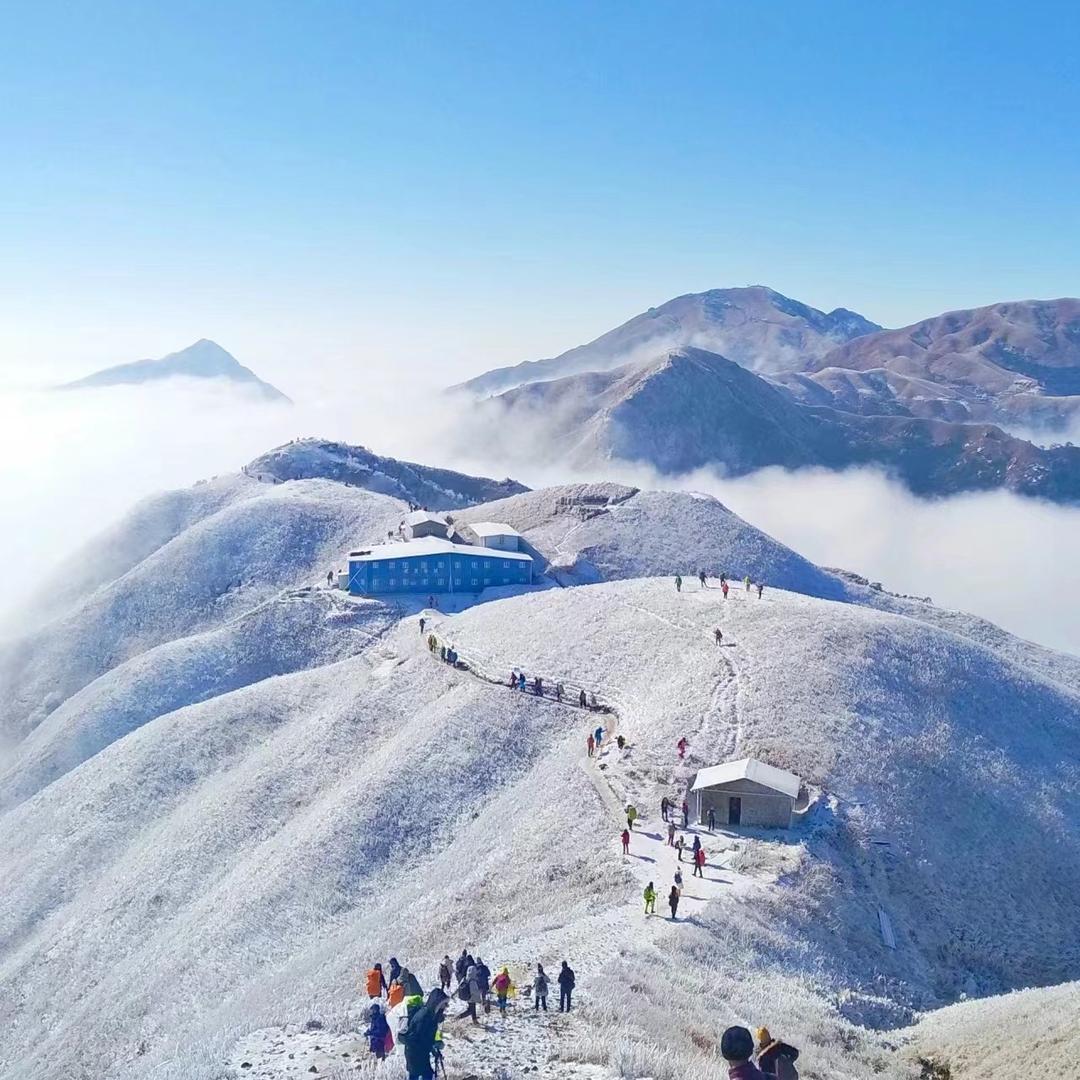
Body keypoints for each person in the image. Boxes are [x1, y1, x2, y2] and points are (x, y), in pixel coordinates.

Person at [401, 988, 450, 1080]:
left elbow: (426, 1037)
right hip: (414, 1053)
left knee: (420, 1075)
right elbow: (417, 1039)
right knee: (424, 1075)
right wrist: (433, 1044)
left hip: (420, 1052)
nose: (446, 1007)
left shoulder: (431, 1016)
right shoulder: (423, 1017)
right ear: (437, 1003)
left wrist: (434, 1047)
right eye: (444, 1004)